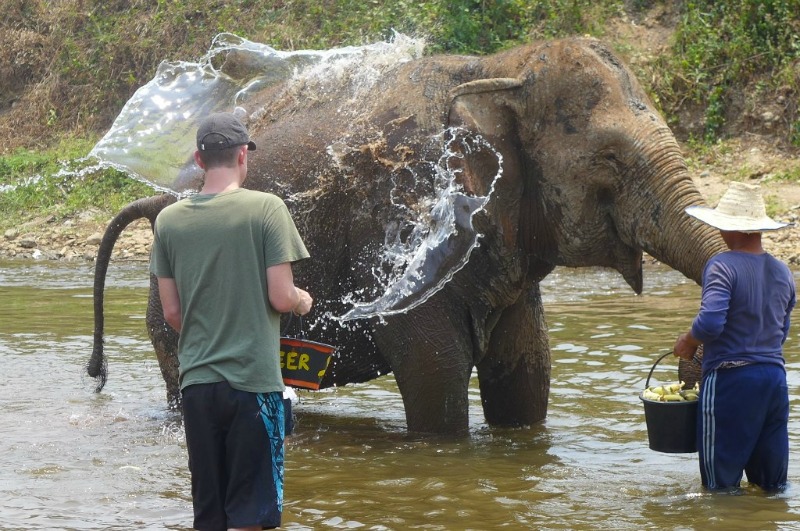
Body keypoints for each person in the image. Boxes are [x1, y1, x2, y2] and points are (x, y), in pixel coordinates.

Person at [150, 111, 313, 530]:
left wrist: (210, 333)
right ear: (243, 155)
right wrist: (301, 301)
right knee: (250, 516)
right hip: (253, 385)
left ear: (199, 161)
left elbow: (171, 313)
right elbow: (280, 295)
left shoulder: (168, 221)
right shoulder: (266, 209)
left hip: (198, 385)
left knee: (210, 514)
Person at [674, 181, 795, 492]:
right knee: (771, 488)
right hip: (774, 381)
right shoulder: (783, 272)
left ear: (736, 230)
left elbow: (711, 322)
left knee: (719, 490)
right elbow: (781, 331)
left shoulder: (722, 265)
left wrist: (688, 341)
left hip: (731, 383)